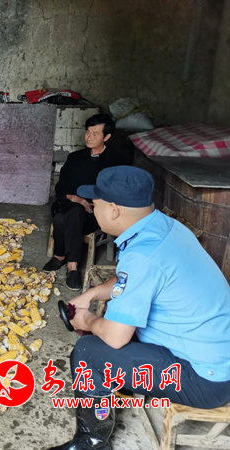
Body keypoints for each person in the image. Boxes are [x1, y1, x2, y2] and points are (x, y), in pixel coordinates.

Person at [46, 166, 230, 450]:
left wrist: (88, 320)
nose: (92, 209)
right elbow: (130, 281)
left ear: (113, 210)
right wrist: (92, 294)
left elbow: (116, 336)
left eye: (95, 204)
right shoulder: (164, 227)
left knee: (89, 353)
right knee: (115, 323)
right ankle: (119, 386)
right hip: (215, 354)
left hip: (205, 379)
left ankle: (91, 443)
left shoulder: (143, 255)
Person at [42, 113, 125, 291]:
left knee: (62, 218)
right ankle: (72, 267)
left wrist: (97, 203)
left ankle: (60, 256)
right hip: (69, 203)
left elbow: (117, 192)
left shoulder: (116, 161)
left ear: (106, 137)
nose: (89, 137)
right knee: (74, 211)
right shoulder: (75, 157)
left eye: (95, 134)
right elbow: (61, 186)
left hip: (96, 211)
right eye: (88, 132)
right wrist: (75, 198)